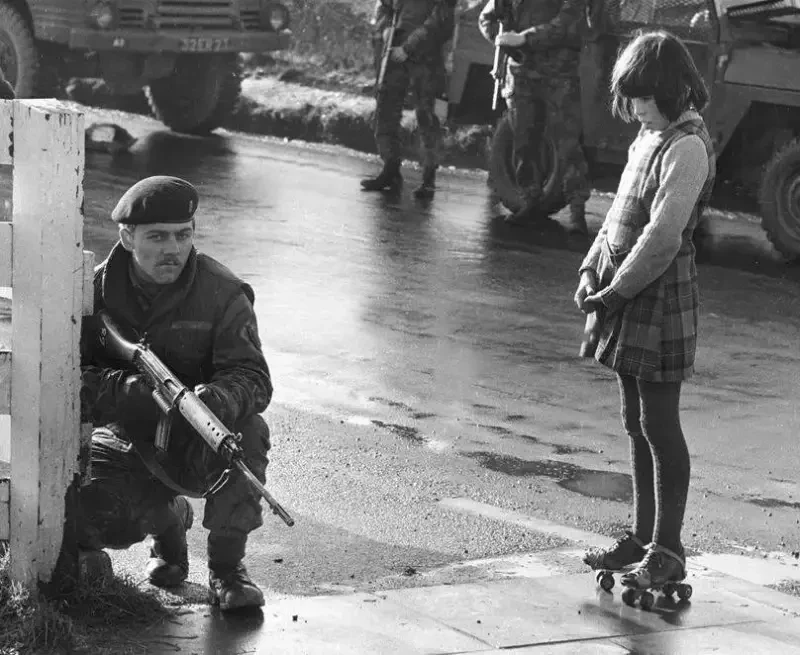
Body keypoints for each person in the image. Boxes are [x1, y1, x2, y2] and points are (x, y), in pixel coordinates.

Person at [78, 176, 274, 612]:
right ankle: (169, 524)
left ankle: (227, 569)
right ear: (127, 237)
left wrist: (217, 400)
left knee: (248, 433)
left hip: (197, 437)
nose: (173, 248)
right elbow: (64, 378)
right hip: (125, 436)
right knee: (92, 516)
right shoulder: (92, 293)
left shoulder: (222, 292)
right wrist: (124, 390)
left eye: (183, 235)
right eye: (158, 237)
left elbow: (254, 377)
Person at [575, 31, 715, 591]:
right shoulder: (647, 137)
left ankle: (668, 550)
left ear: (669, 88)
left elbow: (661, 239)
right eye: (629, 96)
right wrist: (590, 270)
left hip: (657, 296)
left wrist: (611, 295)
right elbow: (616, 217)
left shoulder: (688, 147)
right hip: (626, 293)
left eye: (642, 96)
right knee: (635, 422)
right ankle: (640, 538)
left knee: (660, 423)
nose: (633, 107)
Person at [478, 0, 590, 234]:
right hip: (522, 72)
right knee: (524, 139)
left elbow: (567, 22)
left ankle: (577, 211)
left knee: (567, 142)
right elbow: (487, 18)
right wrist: (503, 40)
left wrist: (524, 38)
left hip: (559, 72)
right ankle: (529, 199)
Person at [360, 0, 456, 199]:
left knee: (427, 118)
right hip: (396, 51)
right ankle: (391, 168)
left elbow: (440, 22)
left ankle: (428, 179)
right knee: (386, 110)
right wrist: (385, 29)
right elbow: (385, 7)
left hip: (426, 57)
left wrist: (409, 47)